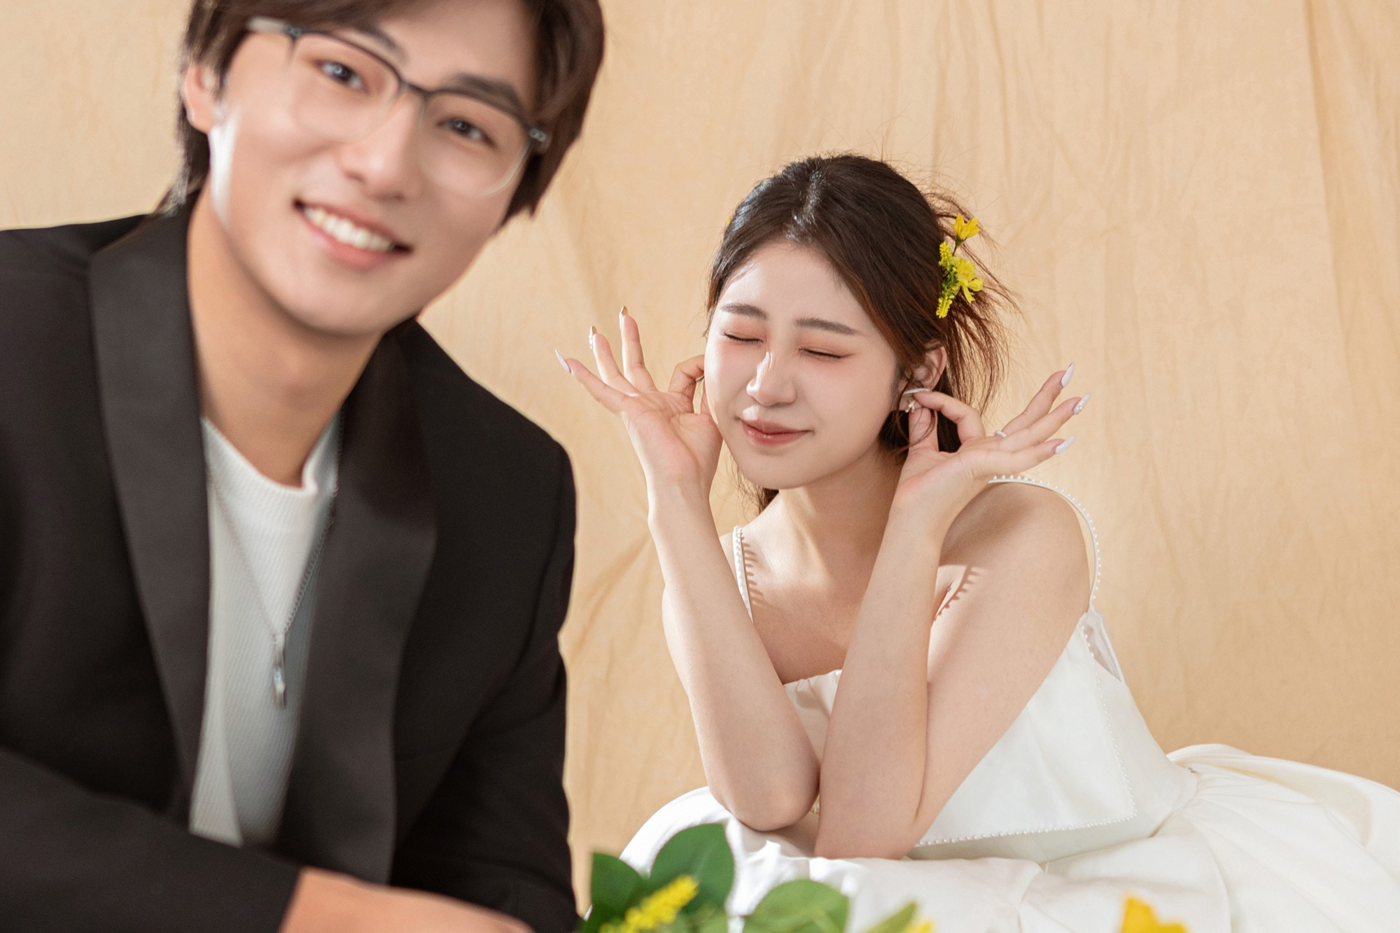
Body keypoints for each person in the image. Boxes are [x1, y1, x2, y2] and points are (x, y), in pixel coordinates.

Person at [562, 154, 1400, 932]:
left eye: (821, 348)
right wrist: (676, 499)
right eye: (741, 334)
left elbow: (860, 833)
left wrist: (916, 528)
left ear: (917, 372)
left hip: (1102, 887)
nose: (766, 384)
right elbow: (770, 796)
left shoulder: (1025, 535)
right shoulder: (720, 572)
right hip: (873, 902)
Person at [0, 1, 603, 931]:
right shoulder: (15, 342)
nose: (385, 166)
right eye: (342, 73)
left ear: (515, 192)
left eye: (465, 126)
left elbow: (500, 887)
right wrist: (311, 915)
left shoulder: (508, 492)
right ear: (206, 75)